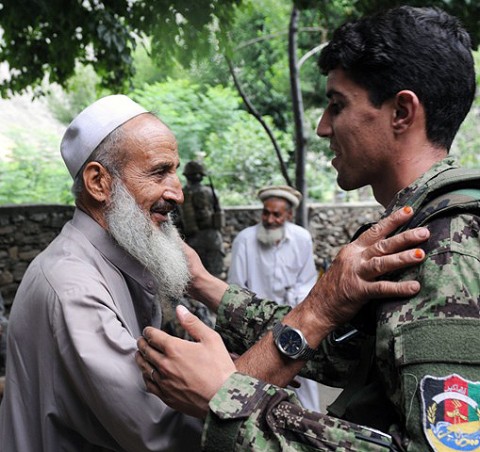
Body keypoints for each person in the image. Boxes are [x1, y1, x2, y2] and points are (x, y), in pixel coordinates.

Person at [136, 6, 480, 451]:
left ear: (401, 111)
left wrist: (232, 404)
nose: (321, 127)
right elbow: (343, 353)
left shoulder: (445, 249)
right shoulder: (412, 226)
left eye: (337, 104)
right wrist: (203, 284)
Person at [0, 95, 203, 451]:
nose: (178, 194)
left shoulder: (111, 261)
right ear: (99, 183)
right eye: (159, 172)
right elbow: (161, 431)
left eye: (175, 170)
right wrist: (246, 377)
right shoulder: (72, 287)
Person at [228, 184, 321, 411]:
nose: (269, 219)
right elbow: (237, 287)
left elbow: (307, 281)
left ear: (288, 215)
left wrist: (294, 312)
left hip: (295, 319)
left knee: (303, 377)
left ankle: (310, 419)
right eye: (266, 213)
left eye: (276, 214)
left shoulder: (302, 238)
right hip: (255, 322)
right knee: (257, 380)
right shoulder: (245, 240)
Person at [178, 160, 224, 277]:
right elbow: (218, 212)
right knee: (215, 276)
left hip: (192, 241)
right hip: (213, 239)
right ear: (202, 176)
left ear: (186, 176)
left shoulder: (181, 194)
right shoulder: (210, 192)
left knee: (195, 279)